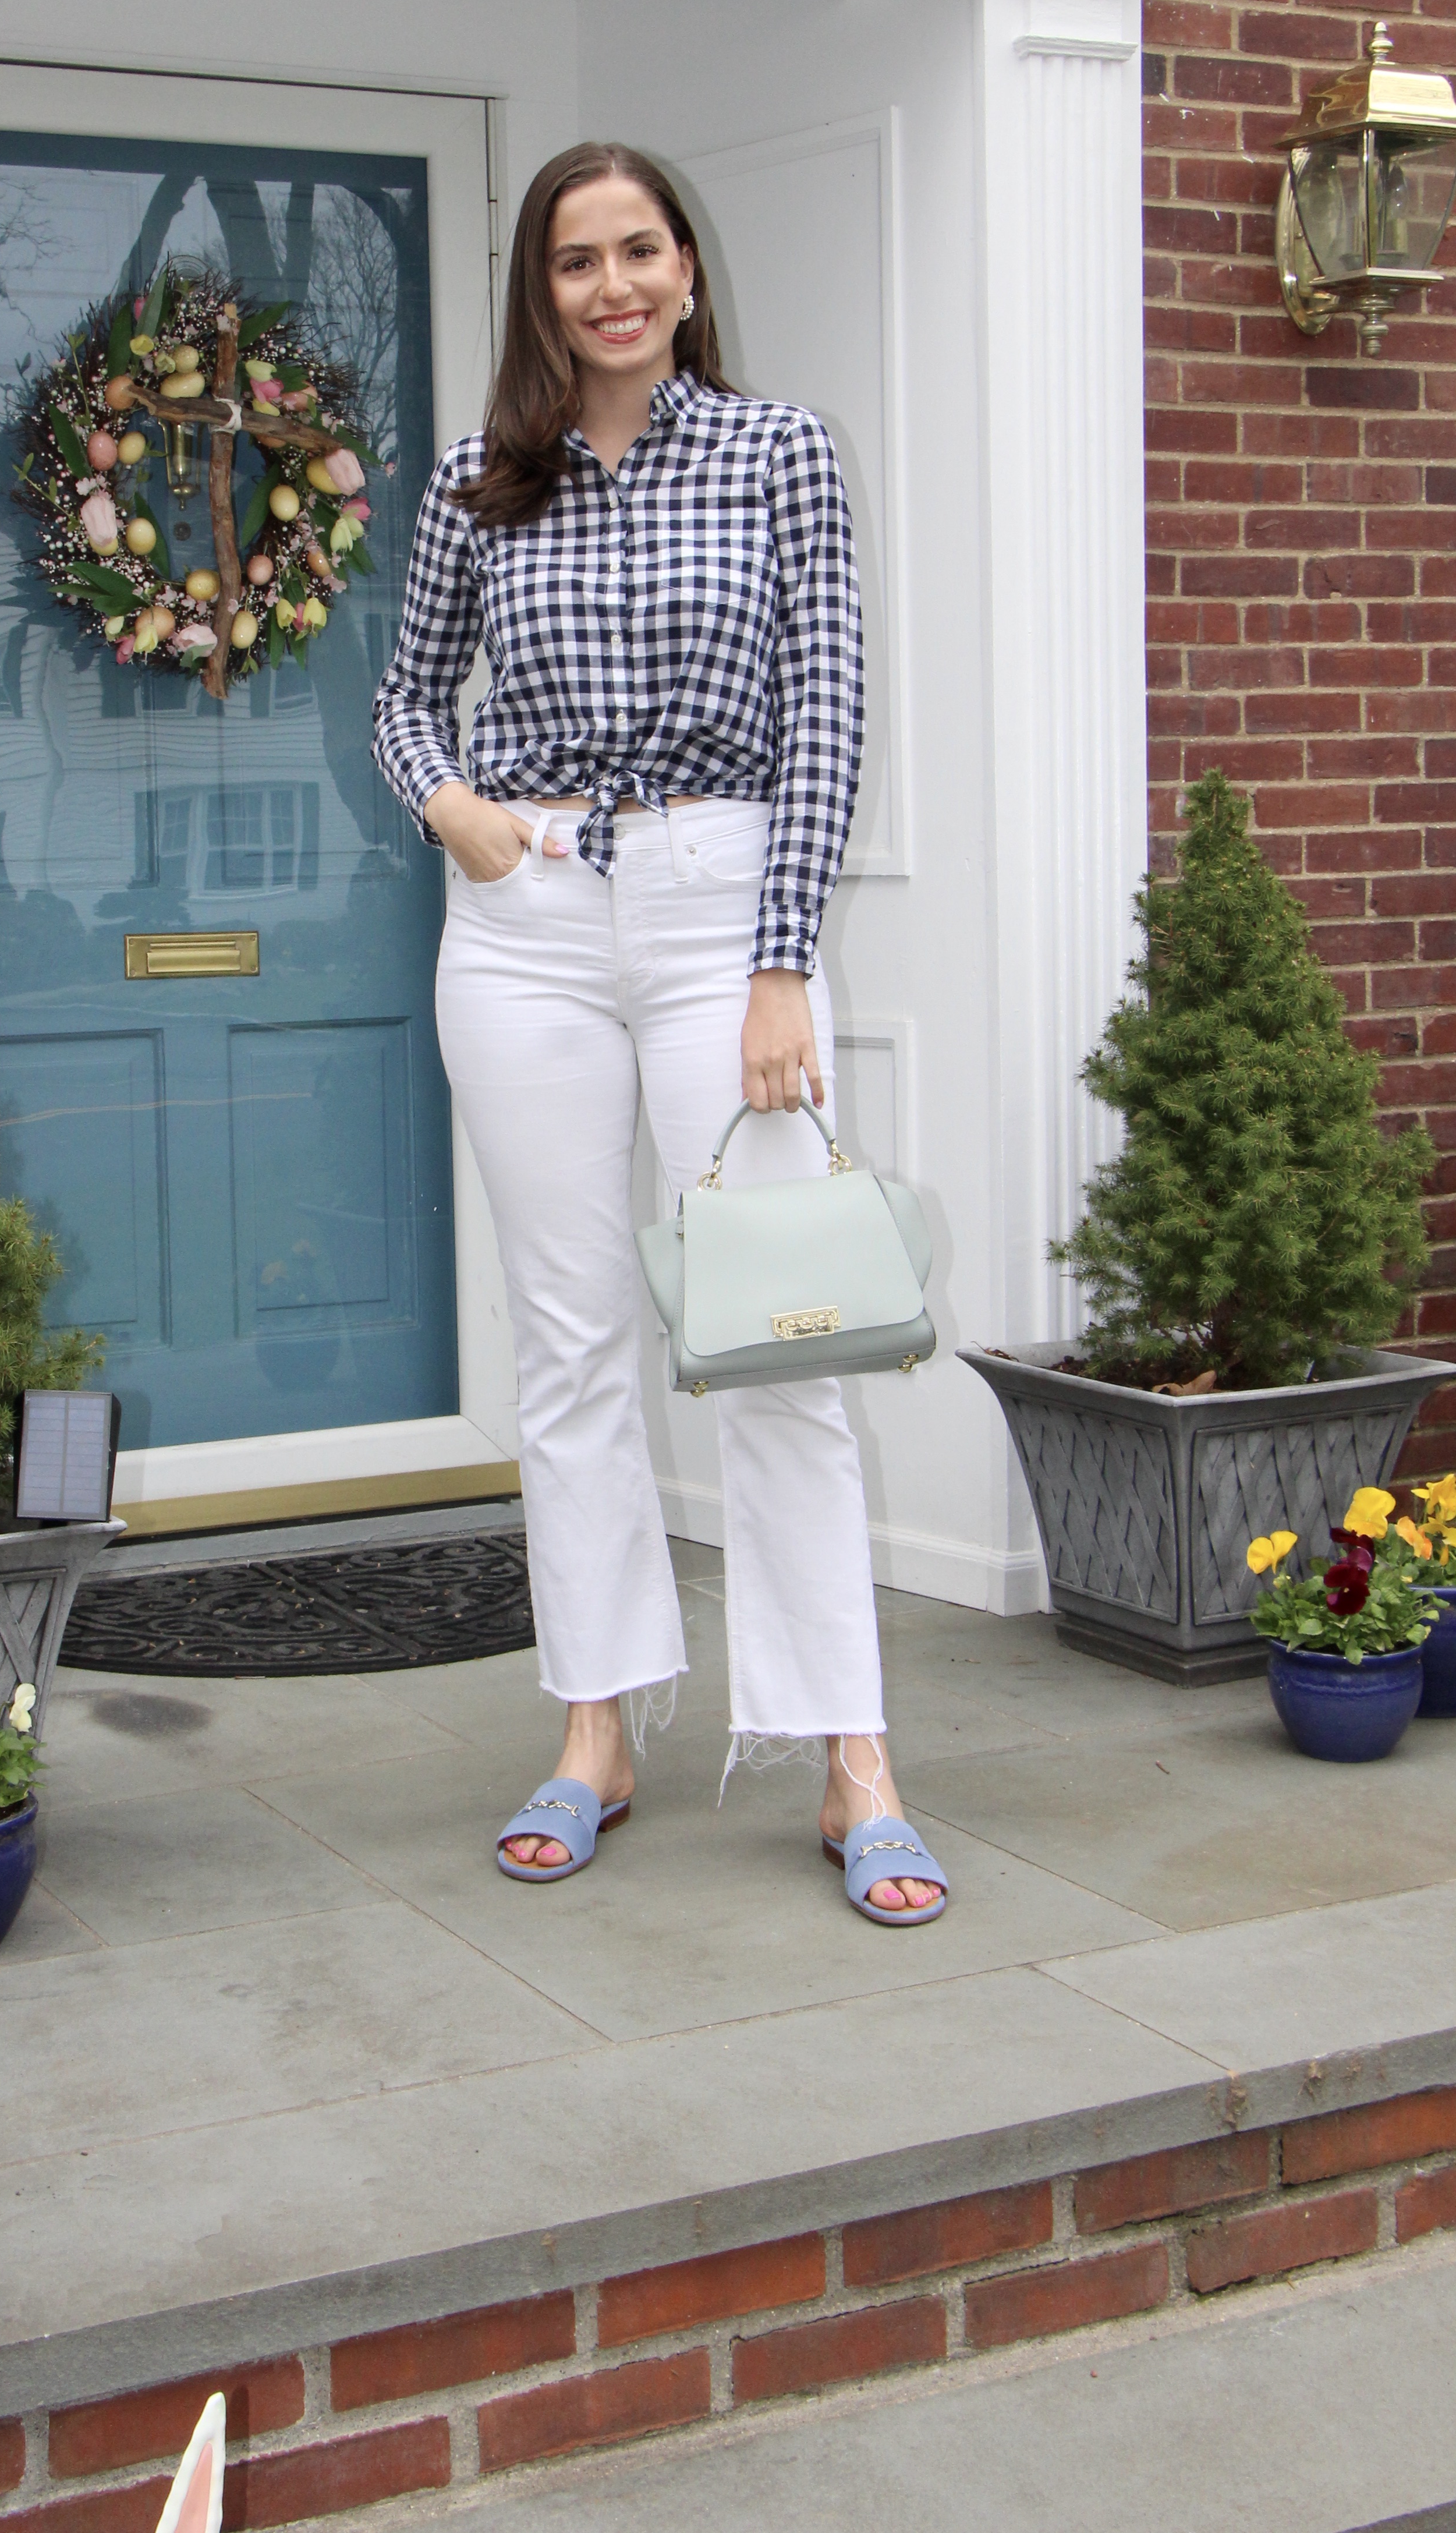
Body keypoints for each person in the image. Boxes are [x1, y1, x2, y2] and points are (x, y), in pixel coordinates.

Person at [369, 141, 946, 1924]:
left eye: (637, 250)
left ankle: (850, 1756)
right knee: (569, 1349)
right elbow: (401, 700)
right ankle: (596, 1727)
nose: (609, 285)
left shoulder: (781, 453)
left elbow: (828, 711)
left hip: (723, 912)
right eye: (573, 262)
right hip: (525, 921)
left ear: (689, 268)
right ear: (541, 294)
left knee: (781, 1342)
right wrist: (449, 802)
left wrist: (785, 965)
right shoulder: (483, 475)